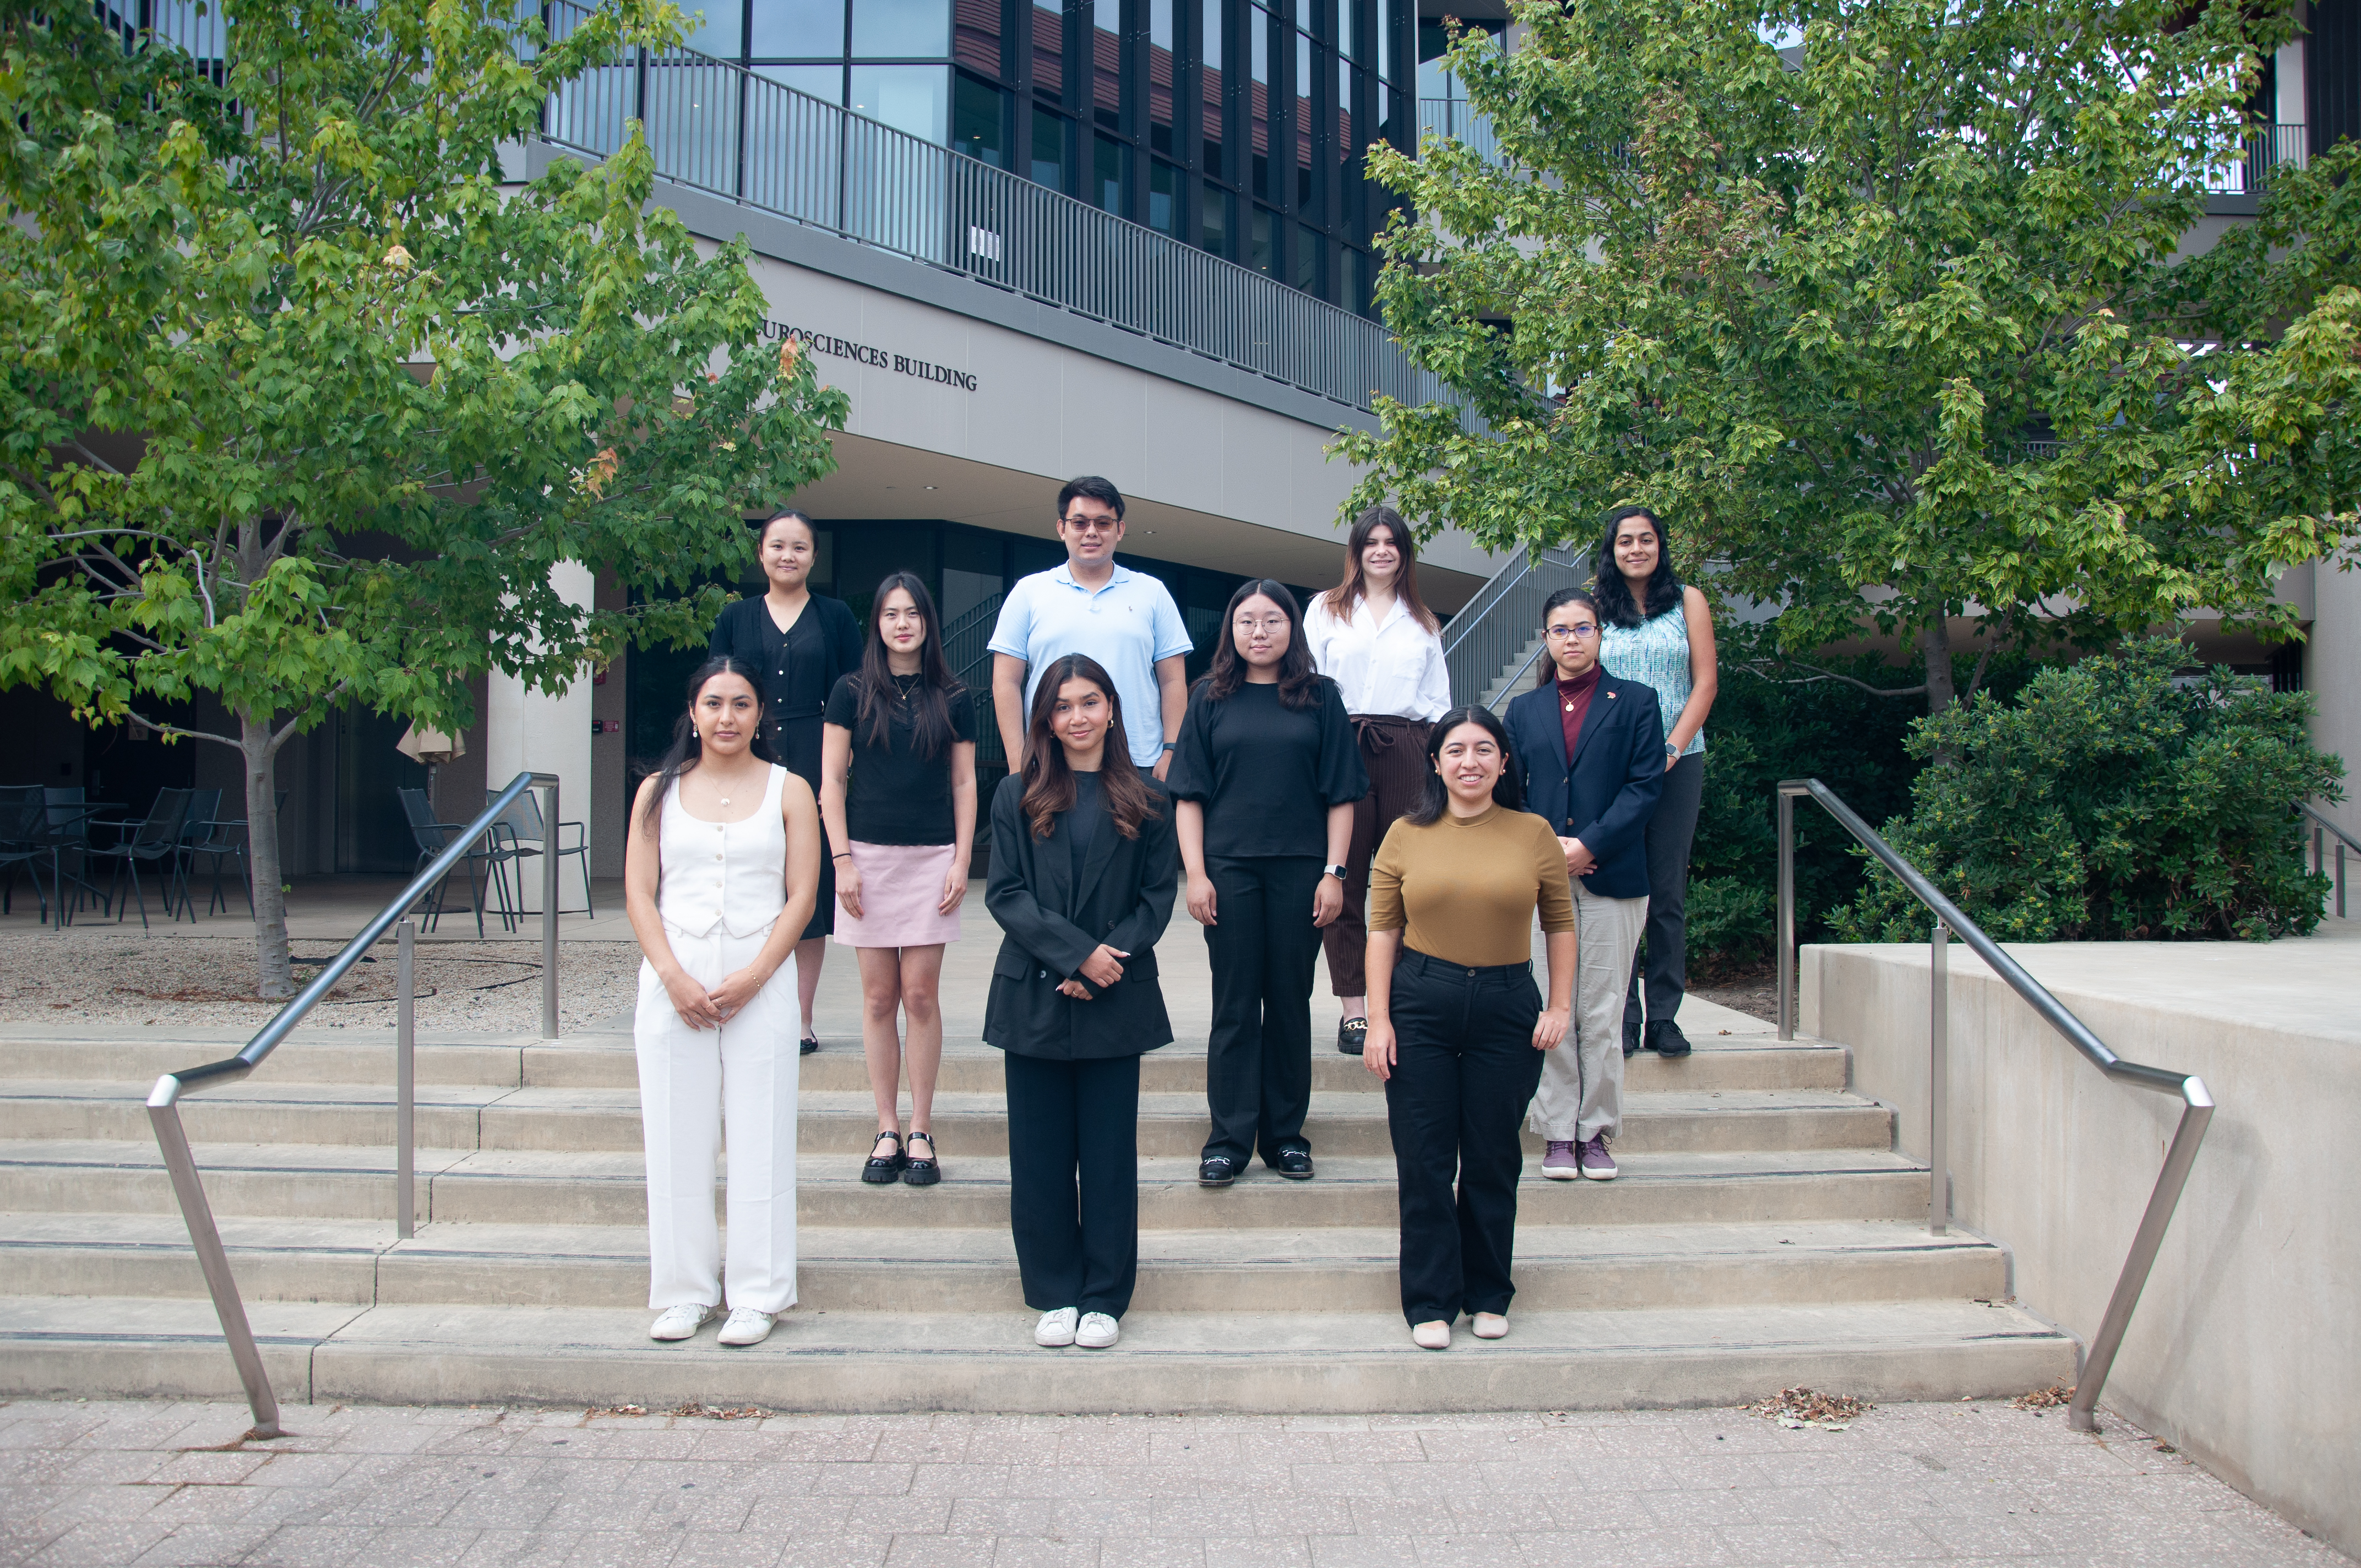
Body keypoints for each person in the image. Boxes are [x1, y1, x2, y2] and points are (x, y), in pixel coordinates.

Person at [623, 657, 822, 1348]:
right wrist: (672, 976)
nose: (728, 716)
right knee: (676, 1137)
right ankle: (684, 1291)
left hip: (759, 978)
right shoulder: (657, 790)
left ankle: (758, 1293)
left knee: (762, 1136)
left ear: (761, 711)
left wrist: (760, 972)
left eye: (741, 703)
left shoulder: (790, 790)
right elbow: (639, 893)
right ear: (694, 711)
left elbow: (801, 895)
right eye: (714, 703)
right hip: (674, 977)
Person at [1361, 706, 1575, 1350]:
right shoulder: (1404, 833)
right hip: (1422, 1001)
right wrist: (1377, 1020)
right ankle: (1429, 1299)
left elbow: (1560, 923)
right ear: (1435, 762)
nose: (1470, 761)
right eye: (1455, 750)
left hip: (1507, 1007)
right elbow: (1381, 930)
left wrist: (1559, 1006)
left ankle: (1487, 1292)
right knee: (1424, 1158)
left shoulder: (1533, 832)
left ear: (1504, 762)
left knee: (1491, 1157)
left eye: (1484, 749)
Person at [984, 655, 1180, 1351]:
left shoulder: (1148, 799)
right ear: (1047, 718)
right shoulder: (1016, 793)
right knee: (1037, 1157)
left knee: (1106, 1156)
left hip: (1113, 997)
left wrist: (1103, 964)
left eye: (1088, 702)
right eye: (1062, 705)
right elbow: (1006, 893)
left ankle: (1103, 1294)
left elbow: (1158, 898)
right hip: (1033, 994)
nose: (1076, 716)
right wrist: (1073, 955)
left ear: (1112, 710)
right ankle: (1052, 1290)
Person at [1171, 580, 1367, 1186]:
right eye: (1247, 620)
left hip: (1300, 873)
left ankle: (1284, 1136)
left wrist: (1334, 873)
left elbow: (1341, 795)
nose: (1260, 631)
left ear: (1292, 629)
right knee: (1233, 1006)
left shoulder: (1320, 698)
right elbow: (1188, 797)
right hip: (1228, 873)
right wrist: (1196, 875)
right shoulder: (1208, 698)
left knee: (1288, 1003)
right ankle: (1228, 1138)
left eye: (1273, 620)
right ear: (1230, 629)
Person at [819, 573, 978, 1189]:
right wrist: (841, 860)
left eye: (913, 613)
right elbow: (831, 780)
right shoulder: (850, 691)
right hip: (866, 858)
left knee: (919, 995)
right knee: (879, 998)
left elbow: (964, 783)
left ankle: (920, 1127)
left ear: (927, 623)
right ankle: (885, 1126)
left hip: (933, 856)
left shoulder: (954, 695)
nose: (903, 623)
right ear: (877, 623)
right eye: (891, 613)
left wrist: (962, 859)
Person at [1503, 587, 1666, 1182]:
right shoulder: (1524, 711)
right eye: (1559, 630)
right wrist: (1551, 853)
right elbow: (1511, 795)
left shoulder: (1637, 703)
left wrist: (1589, 845)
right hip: (1541, 882)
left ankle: (1594, 1131)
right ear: (1546, 639)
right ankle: (1554, 1129)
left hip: (1612, 876)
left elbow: (1645, 788)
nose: (1571, 639)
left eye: (1582, 628)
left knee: (1600, 1010)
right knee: (1551, 1009)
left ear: (1600, 635)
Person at [708, 508, 863, 1056]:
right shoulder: (735, 616)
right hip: (746, 748)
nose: (787, 556)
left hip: (815, 750)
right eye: (777, 546)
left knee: (808, 885)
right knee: (750, 872)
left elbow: (853, 691)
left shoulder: (836, 615)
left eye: (799, 547)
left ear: (813, 557)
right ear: (761, 553)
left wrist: (839, 769)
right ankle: (738, 1001)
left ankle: (799, 1018)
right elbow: (717, 690)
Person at [1303, 505, 1451, 1055]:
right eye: (1372, 542)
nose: (1382, 550)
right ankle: (1354, 1012)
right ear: (1357, 551)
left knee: (1409, 881)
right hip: (1341, 744)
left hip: (1408, 749)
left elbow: (1439, 701)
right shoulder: (1326, 609)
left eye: (1392, 541)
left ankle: (1404, 1000)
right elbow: (1306, 682)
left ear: (1404, 552)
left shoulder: (1424, 620)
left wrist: (1438, 761)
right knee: (1343, 879)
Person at [1594, 505, 1719, 1059]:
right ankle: (1622, 1015)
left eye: (1646, 539)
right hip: (1611, 766)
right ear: (1613, 549)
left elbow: (1706, 682)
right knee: (1620, 889)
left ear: (1660, 546)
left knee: (1666, 892)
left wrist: (1670, 747)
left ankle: (1663, 1016)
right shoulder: (1595, 605)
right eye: (1626, 541)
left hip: (1677, 759)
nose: (1636, 549)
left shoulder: (1688, 600)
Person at [988, 476, 1192, 779]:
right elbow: (1006, 682)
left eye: (1104, 523)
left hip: (1139, 761)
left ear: (1120, 530)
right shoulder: (1029, 592)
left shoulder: (1152, 592)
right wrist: (1019, 762)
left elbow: (1173, 682)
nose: (1092, 533)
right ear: (1062, 529)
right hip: (1050, 762)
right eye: (1080, 523)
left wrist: (1172, 750)